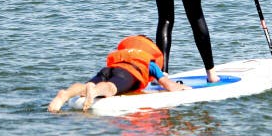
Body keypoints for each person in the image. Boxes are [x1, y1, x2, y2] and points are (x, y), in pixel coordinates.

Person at [47, 35, 190, 113]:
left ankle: (64, 95)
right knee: (110, 87)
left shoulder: (124, 53)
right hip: (128, 74)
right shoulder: (148, 61)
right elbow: (167, 84)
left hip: (110, 69)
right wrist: (181, 87)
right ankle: (95, 91)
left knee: (86, 86)